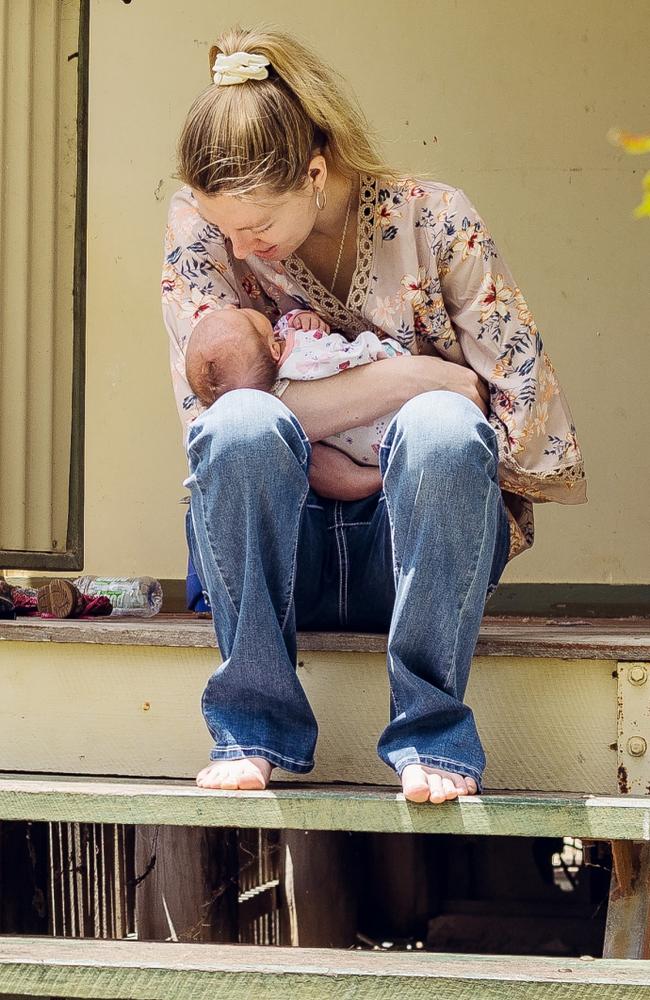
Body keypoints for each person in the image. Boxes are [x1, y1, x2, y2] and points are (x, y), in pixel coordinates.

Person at [162, 26, 587, 805]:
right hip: (288, 556)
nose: (239, 243)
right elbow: (213, 416)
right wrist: (412, 376)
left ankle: (432, 733)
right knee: (241, 430)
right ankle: (251, 727)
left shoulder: (436, 219)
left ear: (316, 173)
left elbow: (508, 419)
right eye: (225, 225)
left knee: (442, 429)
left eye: (256, 225)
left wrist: (351, 421)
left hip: (423, 549)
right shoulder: (205, 230)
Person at [185, 305, 407, 466]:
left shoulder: (266, 363)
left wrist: (303, 318)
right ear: (274, 350)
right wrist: (375, 347)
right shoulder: (301, 360)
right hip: (377, 426)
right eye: (243, 315)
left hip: (352, 455)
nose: (238, 307)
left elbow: (284, 326)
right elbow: (346, 358)